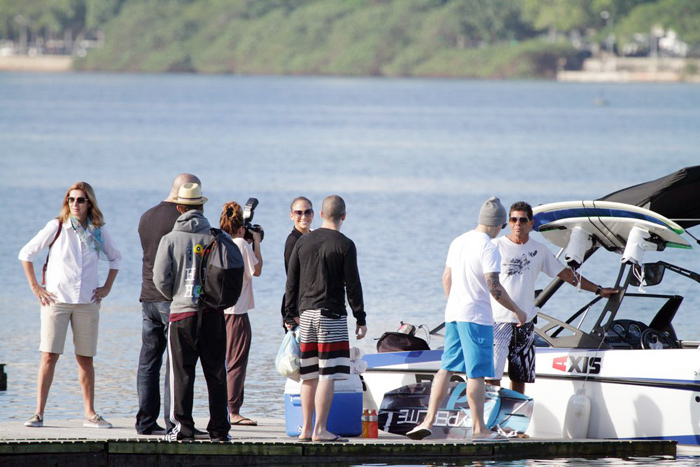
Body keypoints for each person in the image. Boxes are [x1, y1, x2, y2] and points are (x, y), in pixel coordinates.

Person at [406, 196, 526, 441]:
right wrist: (516, 310)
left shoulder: (458, 241)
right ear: (498, 224)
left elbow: (446, 279)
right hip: (476, 317)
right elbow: (495, 288)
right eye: (504, 226)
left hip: (454, 314)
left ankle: (427, 421)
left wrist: (454, 303)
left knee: (446, 368)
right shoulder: (488, 247)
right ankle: (479, 428)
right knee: (476, 374)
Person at [486, 201, 618, 395]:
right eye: (513, 219)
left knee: (520, 376)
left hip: (526, 322)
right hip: (498, 320)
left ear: (531, 223)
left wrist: (598, 290)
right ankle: (490, 414)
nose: (517, 224)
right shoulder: (495, 246)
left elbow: (565, 274)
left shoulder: (539, 250)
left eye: (522, 220)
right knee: (493, 376)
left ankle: (515, 415)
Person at [19, 181, 121, 429]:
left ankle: (89, 414)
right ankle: (38, 413)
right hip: (56, 301)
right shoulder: (57, 227)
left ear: (90, 203)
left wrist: (106, 288)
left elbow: (116, 258)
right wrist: (36, 287)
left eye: (81, 200)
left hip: (87, 302)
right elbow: (26, 253)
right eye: (71, 199)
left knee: (85, 359)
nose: (75, 204)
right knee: (49, 356)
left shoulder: (98, 230)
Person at [284, 195, 366, 443]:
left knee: (308, 375)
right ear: (343, 217)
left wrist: (290, 314)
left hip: (306, 314)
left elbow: (292, 281)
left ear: (319, 215)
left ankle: (306, 429)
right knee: (327, 375)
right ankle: (320, 430)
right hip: (331, 315)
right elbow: (353, 285)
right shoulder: (345, 244)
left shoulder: (303, 241)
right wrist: (360, 317)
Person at [153, 182, 230, 442]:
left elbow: (160, 279)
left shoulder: (171, 239)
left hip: (182, 315)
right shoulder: (217, 236)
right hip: (214, 315)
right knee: (217, 373)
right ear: (202, 206)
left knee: (181, 374)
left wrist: (175, 295)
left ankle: (182, 429)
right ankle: (220, 431)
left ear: (179, 208)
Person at [135, 173, 201, 436]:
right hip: (171, 298)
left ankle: (145, 422)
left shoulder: (146, 216)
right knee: (175, 364)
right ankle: (175, 423)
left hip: (147, 296)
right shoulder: (181, 219)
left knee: (148, 361)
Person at [219, 201, 263, 426]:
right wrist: (255, 242)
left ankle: (221, 408)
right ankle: (233, 411)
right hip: (237, 313)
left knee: (221, 362)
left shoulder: (219, 241)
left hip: (218, 311)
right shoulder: (241, 244)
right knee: (237, 362)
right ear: (240, 226)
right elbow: (256, 270)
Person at [281, 196, 314, 325]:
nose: (303, 216)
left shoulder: (312, 237)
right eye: (298, 212)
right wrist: (291, 314)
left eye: (307, 212)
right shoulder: (293, 241)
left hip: (310, 304)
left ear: (313, 214)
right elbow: (292, 278)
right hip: (297, 307)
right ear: (291, 216)